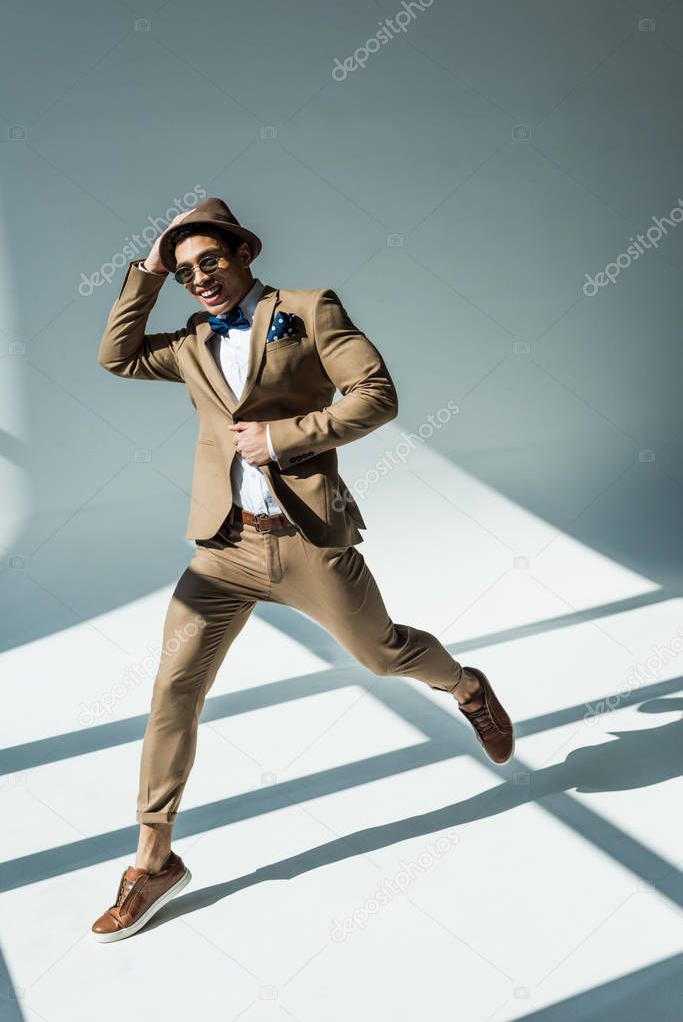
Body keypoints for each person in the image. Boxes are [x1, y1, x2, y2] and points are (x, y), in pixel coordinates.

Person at [90, 197, 514, 943]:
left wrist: (283, 437)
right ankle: (152, 859)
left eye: (209, 261)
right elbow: (116, 356)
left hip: (308, 540)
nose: (202, 279)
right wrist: (147, 270)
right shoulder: (191, 336)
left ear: (242, 252)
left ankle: (466, 685)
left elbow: (376, 393)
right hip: (223, 548)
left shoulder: (308, 309)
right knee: (172, 690)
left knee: (382, 654)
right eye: (187, 272)